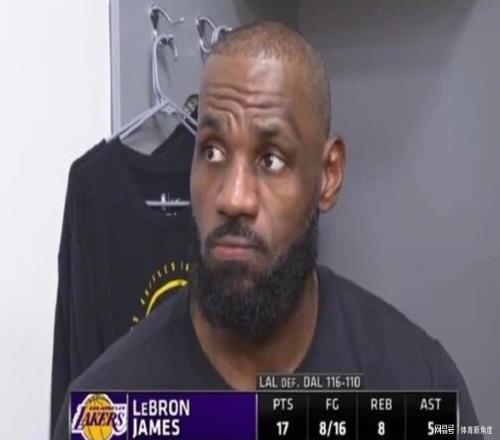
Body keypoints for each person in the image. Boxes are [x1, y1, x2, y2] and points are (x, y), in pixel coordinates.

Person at [53, 21, 480, 438]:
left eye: (270, 159)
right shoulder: (105, 417)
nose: (233, 198)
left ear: (329, 176)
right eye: (213, 152)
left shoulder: (419, 386)